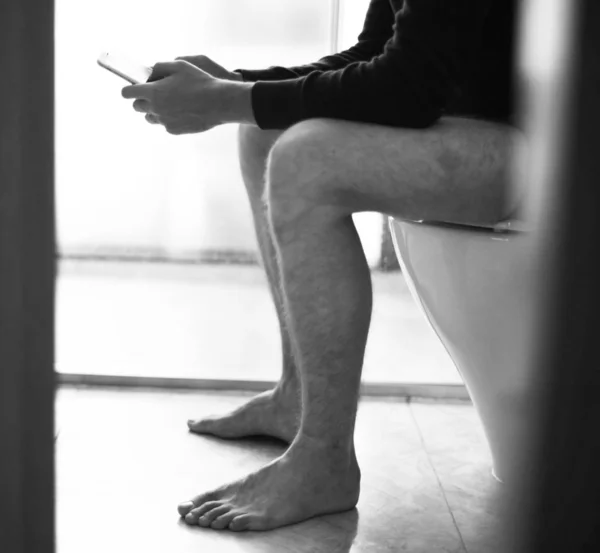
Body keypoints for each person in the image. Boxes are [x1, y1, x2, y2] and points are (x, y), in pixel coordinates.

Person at [122, 0, 523, 533]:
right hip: (485, 124)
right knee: (263, 133)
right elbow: (378, 52)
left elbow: (409, 88)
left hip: (545, 146)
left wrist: (229, 98)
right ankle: (297, 399)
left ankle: (324, 458)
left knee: (303, 155)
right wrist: (240, 87)